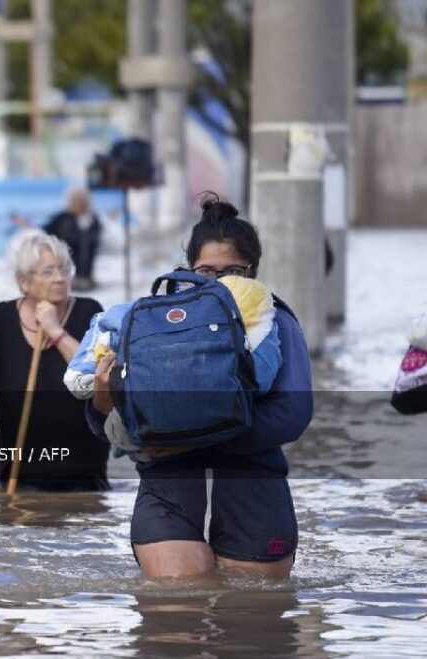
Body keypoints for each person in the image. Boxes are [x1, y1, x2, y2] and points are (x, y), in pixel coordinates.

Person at [88, 196, 313, 579]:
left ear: (253, 272)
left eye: (233, 272)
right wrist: (100, 400)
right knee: (174, 620)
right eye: (207, 271)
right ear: (189, 269)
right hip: (169, 491)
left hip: (252, 493)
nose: (220, 282)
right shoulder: (155, 321)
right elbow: (104, 424)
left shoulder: (277, 323)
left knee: (253, 625)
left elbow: (292, 414)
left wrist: (191, 440)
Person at [0, 232, 110, 491]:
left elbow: (93, 375)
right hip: (19, 474)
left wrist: (56, 331)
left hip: (83, 474)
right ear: (24, 281)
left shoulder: (89, 312)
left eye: (65, 269)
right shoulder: (0, 318)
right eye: (48, 271)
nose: (60, 278)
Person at [44, 186, 102, 291]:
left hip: (86, 275)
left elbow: (95, 246)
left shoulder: (94, 220)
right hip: (65, 275)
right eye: (76, 200)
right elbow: (44, 235)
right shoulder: (61, 219)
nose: (79, 203)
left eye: (82, 200)